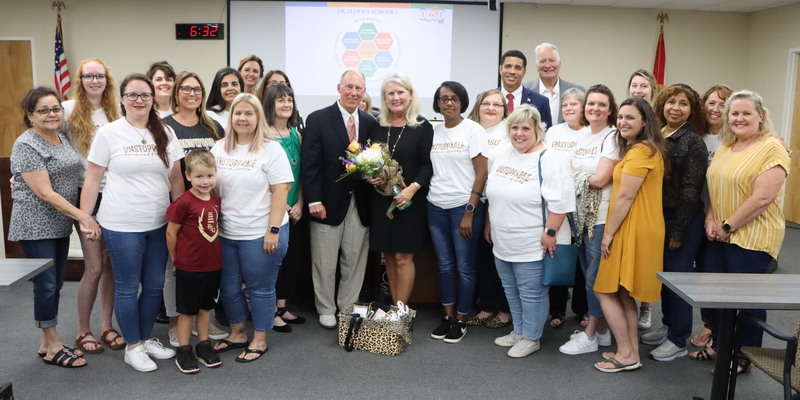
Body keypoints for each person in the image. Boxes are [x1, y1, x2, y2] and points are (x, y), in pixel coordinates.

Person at [81, 73, 185, 372]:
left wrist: (179, 219)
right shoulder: (110, 133)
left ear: (153, 99)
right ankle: (133, 346)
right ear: (122, 99)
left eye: (145, 95)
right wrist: (86, 217)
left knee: (154, 286)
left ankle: (141, 337)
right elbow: (93, 179)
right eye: (133, 95)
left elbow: (176, 178)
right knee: (127, 287)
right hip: (121, 224)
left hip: (158, 224)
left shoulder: (165, 131)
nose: (139, 100)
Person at [693, 90, 790, 374]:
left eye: (747, 113)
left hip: (753, 237)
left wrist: (727, 226)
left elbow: (763, 198)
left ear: (761, 116)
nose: (740, 118)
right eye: (734, 113)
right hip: (719, 234)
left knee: (747, 300)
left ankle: (744, 355)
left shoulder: (772, 148)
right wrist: (711, 219)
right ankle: (721, 347)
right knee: (717, 296)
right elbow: (715, 187)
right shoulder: (726, 147)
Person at [10, 87, 101, 368]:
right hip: (36, 224)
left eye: (55, 109)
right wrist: (85, 217)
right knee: (47, 284)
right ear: (29, 115)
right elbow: (46, 193)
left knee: (56, 283)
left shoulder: (61, 136)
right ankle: (52, 346)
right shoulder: (26, 144)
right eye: (43, 110)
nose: (51, 114)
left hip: (59, 222)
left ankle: (47, 341)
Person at [485, 104, 576, 358]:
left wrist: (550, 232)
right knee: (511, 289)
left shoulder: (550, 159)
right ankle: (519, 329)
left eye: (526, 128)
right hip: (504, 241)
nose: (519, 133)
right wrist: (491, 222)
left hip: (533, 241)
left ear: (538, 130)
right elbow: (494, 193)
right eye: (514, 127)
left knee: (531, 291)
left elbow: (561, 202)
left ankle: (532, 337)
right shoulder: (505, 154)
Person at [210, 93, 293, 362]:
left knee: (260, 288)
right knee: (229, 288)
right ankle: (237, 333)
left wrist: (273, 230)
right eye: (237, 113)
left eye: (249, 113)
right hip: (226, 232)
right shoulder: (218, 148)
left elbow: (282, 190)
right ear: (230, 117)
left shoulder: (272, 149)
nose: (242, 118)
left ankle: (259, 339)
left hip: (261, 232)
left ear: (258, 117)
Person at [593, 96, 668, 372]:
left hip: (634, 228)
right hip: (636, 225)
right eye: (621, 117)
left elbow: (625, 196)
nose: (623, 122)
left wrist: (608, 234)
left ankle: (625, 353)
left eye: (630, 118)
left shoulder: (641, 152)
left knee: (604, 290)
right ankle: (631, 353)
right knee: (623, 293)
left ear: (645, 122)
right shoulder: (642, 149)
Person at [300, 70, 376, 329]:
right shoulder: (318, 119)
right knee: (324, 259)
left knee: (354, 258)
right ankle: (325, 308)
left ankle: (348, 306)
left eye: (359, 88)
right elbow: (310, 165)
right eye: (349, 87)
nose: (354, 92)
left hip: (361, 202)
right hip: (326, 202)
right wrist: (313, 200)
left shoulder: (370, 121)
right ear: (339, 88)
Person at [641, 84, 708, 362]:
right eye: (670, 102)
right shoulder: (658, 135)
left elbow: (691, 190)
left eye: (683, 103)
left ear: (692, 110)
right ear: (661, 105)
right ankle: (669, 326)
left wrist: (679, 229)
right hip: (659, 216)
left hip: (683, 220)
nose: (675, 108)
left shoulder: (693, 142)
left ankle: (678, 340)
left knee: (678, 279)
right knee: (665, 277)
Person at [63, 59, 125, 354]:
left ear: (107, 79)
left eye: (99, 75)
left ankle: (106, 325)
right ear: (81, 79)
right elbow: (44, 139)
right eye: (89, 76)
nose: (95, 80)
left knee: (111, 265)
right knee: (94, 267)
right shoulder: (67, 109)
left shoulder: (116, 110)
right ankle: (82, 329)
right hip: (86, 194)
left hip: (114, 194)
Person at [163, 71, 227, 347]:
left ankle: (205, 321)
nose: (192, 94)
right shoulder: (164, 126)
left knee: (204, 268)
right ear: (176, 93)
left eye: (197, 89)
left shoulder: (213, 127)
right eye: (186, 89)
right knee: (174, 269)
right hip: (176, 205)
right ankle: (176, 324)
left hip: (207, 207)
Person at [558, 85, 618, 355]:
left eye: (601, 105)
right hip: (580, 216)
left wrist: (574, 178)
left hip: (601, 216)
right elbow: (569, 172)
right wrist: (578, 178)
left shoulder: (613, 136)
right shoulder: (583, 135)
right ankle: (603, 331)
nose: (595, 108)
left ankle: (591, 333)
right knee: (587, 274)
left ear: (610, 110)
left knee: (595, 277)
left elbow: (601, 179)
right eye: (591, 103)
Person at [365, 73, 433, 305]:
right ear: (384, 98)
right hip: (382, 201)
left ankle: (400, 310)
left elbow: (427, 164)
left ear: (410, 95)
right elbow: (369, 159)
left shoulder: (422, 126)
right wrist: (369, 175)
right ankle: (395, 305)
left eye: (400, 92)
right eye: (390, 93)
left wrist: (412, 189)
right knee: (390, 257)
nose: (396, 97)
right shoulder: (377, 126)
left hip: (409, 201)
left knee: (404, 257)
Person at [428, 81, 487, 344]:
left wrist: (470, 211)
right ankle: (448, 316)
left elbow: (482, 172)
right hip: (435, 207)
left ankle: (462, 319)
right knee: (443, 265)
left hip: (463, 207)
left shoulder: (473, 130)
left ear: (462, 102)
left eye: (453, 98)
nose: (448, 103)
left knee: (464, 267)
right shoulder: (433, 131)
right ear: (437, 103)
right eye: (443, 99)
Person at [166, 150, 223, 374]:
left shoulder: (216, 200)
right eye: (199, 176)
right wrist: (176, 258)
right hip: (189, 266)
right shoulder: (183, 202)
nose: (205, 181)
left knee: (206, 308)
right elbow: (171, 233)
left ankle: (203, 345)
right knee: (187, 311)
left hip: (213, 265)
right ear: (188, 176)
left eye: (209, 176)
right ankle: (184, 349)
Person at [689, 83, 734, 348]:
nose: (715, 109)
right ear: (702, 105)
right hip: (697, 213)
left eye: (722, 104)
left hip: (723, 216)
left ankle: (721, 330)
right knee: (703, 271)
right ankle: (709, 324)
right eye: (711, 102)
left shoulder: (733, 138)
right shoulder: (694, 135)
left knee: (719, 275)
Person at [543, 87, 590, 330]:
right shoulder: (552, 132)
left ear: (583, 107)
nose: (569, 109)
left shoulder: (591, 134)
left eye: (574, 104)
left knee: (582, 257)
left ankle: (582, 308)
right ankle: (557, 309)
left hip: (583, 204)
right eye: (565, 105)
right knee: (558, 252)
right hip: (557, 203)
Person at [262, 83, 307, 332]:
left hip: (295, 209)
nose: (286, 104)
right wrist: (281, 206)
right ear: (271, 104)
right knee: (274, 262)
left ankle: (282, 307)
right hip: (273, 210)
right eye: (281, 100)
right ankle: (271, 312)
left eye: (290, 99)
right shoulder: (263, 136)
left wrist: (299, 203)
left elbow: (299, 175)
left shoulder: (295, 134)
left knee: (291, 260)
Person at [465, 89, 512, 329]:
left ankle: (505, 309)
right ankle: (487, 305)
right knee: (481, 258)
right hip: (473, 203)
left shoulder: (508, 133)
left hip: (497, 203)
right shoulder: (470, 129)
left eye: (497, 104)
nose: (491, 108)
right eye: (486, 103)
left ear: (505, 109)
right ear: (478, 106)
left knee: (499, 258)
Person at [627, 69, 658, 330]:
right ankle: (627, 310)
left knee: (646, 260)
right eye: (634, 85)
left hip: (648, 199)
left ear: (653, 91)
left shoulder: (655, 125)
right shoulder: (625, 117)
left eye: (644, 86)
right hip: (627, 193)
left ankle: (646, 307)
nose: (638, 90)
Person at [523, 43, 585, 124]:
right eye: (542, 61)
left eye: (552, 60)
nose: (548, 65)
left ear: (560, 63)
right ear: (537, 65)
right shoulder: (524, 90)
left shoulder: (578, 91)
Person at [498, 50, 552, 129]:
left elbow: (546, 134)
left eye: (517, 68)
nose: (512, 71)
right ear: (500, 69)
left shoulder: (541, 102)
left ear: (524, 72)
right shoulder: (485, 99)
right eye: (508, 66)